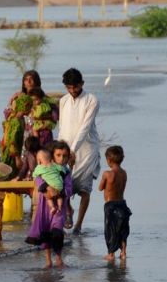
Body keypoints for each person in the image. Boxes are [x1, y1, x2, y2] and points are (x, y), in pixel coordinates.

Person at [58, 67, 101, 235]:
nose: (72, 91)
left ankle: (78, 225)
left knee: (84, 189)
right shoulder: (63, 101)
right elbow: (62, 127)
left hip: (87, 150)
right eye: (69, 87)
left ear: (82, 84)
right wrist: (62, 150)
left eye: (75, 87)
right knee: (63, 186)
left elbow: (85, 126)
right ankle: (68, 211)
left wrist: (73, 150)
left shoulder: (92, 100)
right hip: (66, 150)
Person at [99, 145, 131, 263]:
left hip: (110, 205)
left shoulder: (107, 174)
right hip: (122, 203)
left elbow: (100, 188)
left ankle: (111, 253)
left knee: (110, 229)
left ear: (108, 160)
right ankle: (123, 252)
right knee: (122, 228)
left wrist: (103, 181)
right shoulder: (124, 173)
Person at [32, 149, 66, 217]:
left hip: (49, 186)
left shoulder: (39, 167)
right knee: (60, 197)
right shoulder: (54, 165)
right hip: (59, 186)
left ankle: (52, 207)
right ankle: (59, 207)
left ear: (39, 161)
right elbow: (62, 170)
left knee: (48, 198)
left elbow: (34, 175)